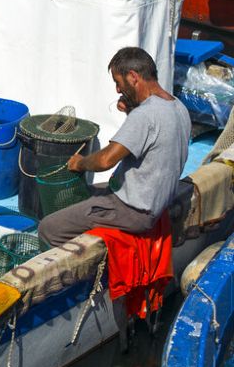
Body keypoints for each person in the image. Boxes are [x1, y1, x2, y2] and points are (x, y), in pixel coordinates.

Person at [38, 47, 191, 248]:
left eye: (118, 82)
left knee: (48, 228)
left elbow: (105, 160)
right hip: (154, 202)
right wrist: (130, 111)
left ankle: (79, 267)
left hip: (133, 210)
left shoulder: (145, 115)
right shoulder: (178, 107)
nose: (118, 90)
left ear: (133, 77)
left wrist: (80, 163)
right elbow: (151, 139)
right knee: (80, 195)